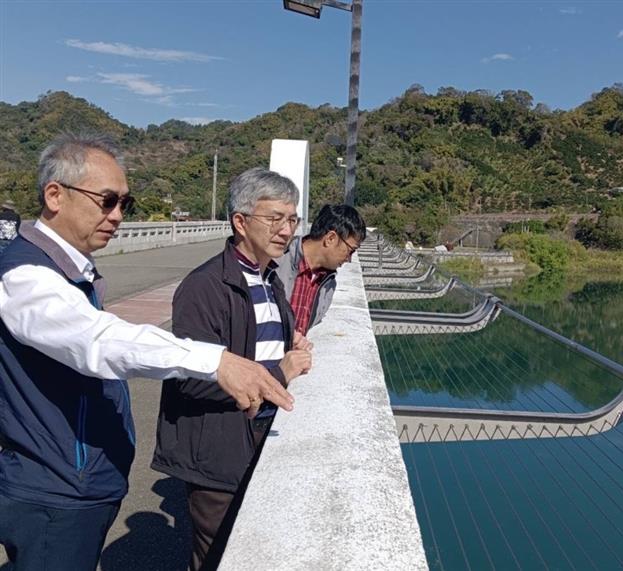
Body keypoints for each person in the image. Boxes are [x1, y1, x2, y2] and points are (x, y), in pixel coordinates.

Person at [0, 134, 294, 571]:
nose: (117, 215)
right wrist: (216, 361)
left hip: (80, 481)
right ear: (55, 195)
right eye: (106, 201)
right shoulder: (25, 276)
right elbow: (97, 341)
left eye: (125, 203)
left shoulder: (70, 270)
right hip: (55, 490)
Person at [152, 168, 313, 571]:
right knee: (219, 555)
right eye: (274, 218)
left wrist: (290, 340)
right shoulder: (205, 286)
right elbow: (192, 376)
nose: (286, 229)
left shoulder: (269, 277)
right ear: (240, 221)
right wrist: (281, 372)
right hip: (218, 448)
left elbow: (256, 341)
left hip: (256, 435)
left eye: (292, 219)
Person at [276, 204, 366, 335]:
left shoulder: (328, 283)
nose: (349, 259)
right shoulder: (275, 261)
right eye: (350, 250)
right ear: (330, 238)